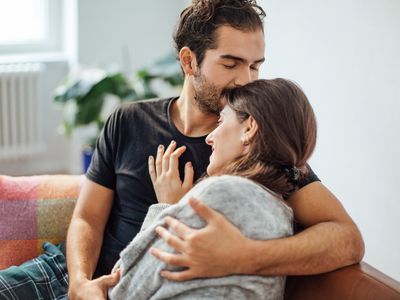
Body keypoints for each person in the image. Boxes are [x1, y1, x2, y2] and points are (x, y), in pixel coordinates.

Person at [65, 0, 364, 299]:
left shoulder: (256, 148)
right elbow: (87, 217)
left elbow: (347, 239)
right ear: (189, 61)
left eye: (255, 65)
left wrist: (245, 255)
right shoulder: (127, 120)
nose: (245, 80)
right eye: (230, 64)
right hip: (72, 275)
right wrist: (79, 282)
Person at [108, 78, 315, 299]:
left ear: (249, 127)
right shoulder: (281, 213)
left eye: (220, 122)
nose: (209, 138)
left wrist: (167, 207)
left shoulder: (222, 192)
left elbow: (121, 286)